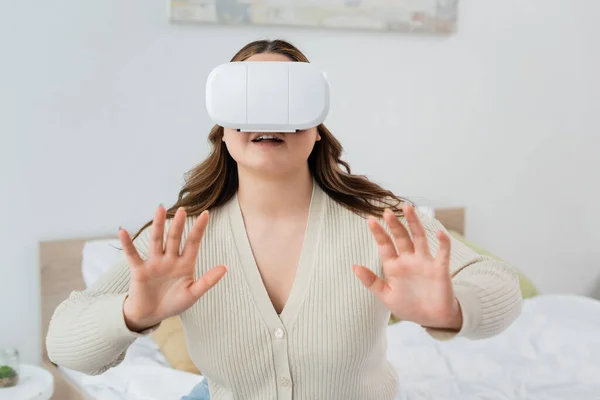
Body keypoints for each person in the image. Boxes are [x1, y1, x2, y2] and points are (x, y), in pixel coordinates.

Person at [46, 39, 523, 400]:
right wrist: (132, 314)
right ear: (224, 132)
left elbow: (499, 286)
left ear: (318, 131)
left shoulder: (383, 221)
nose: (268, 119)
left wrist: (454, 309)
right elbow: (66, 347)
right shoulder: (177, 239)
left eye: (289, 103)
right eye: (250, 103)